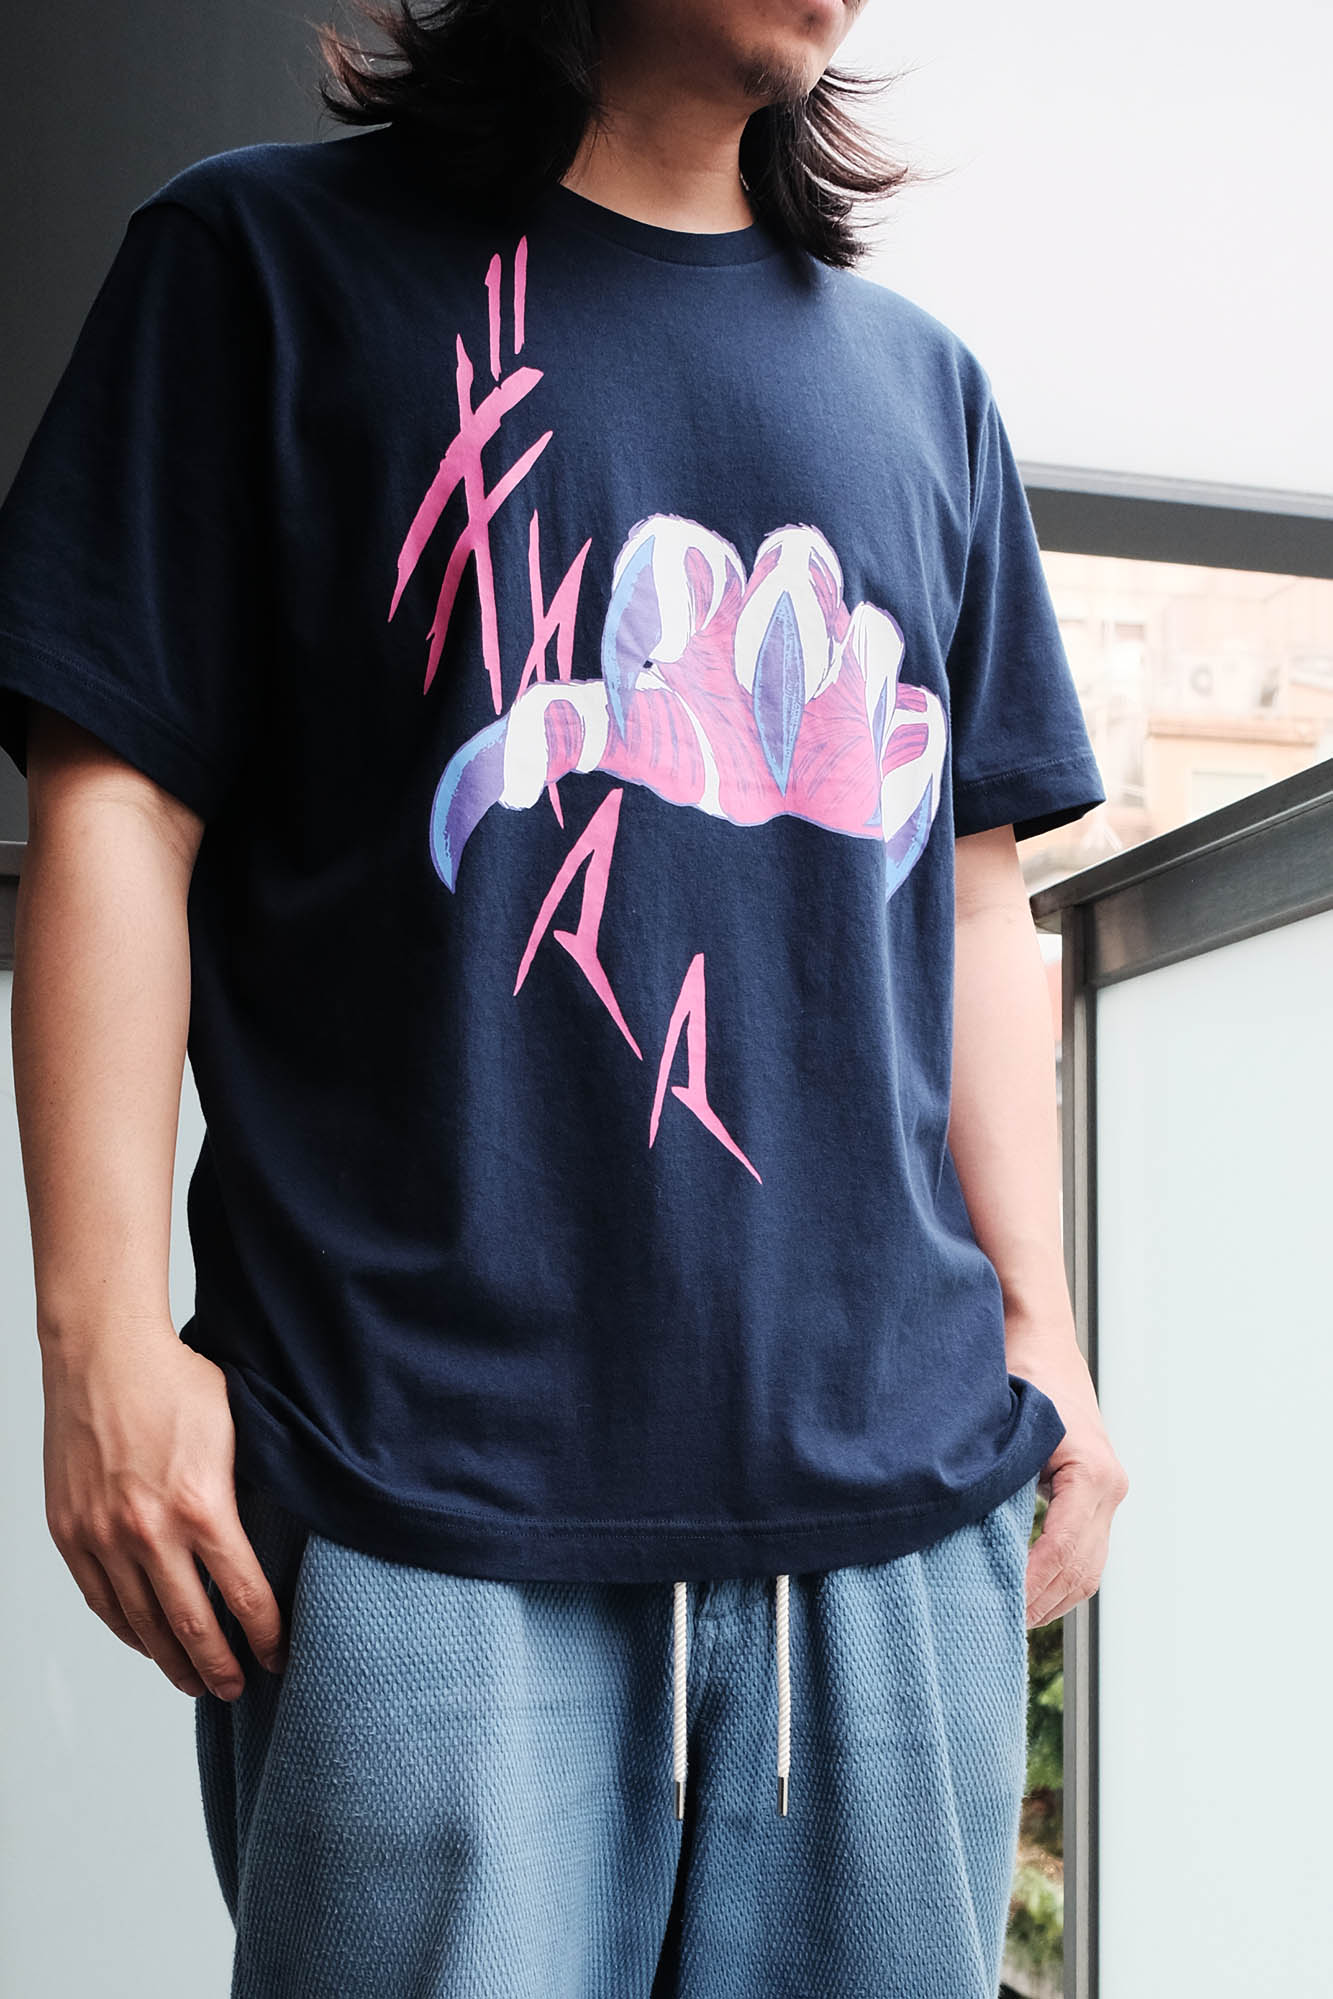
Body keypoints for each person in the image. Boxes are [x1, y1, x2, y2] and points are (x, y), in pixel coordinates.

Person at [0, 1, 1129, 1993]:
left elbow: (971, 890)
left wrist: (1045, 1327)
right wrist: (96, 1345)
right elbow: (117, 801)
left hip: (887, 1510)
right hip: (411, 1492)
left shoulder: (924, 385)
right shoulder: (255, 264)